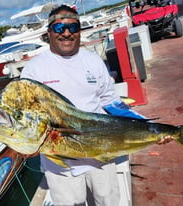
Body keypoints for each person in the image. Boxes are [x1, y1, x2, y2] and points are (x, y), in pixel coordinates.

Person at [20, 4, 171, 206]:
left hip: (100, 152)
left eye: (73, 28)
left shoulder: (93, 61)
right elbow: (28, 115)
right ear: (49, 32)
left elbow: (111, 103)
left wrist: (148, 126)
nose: (66, 33)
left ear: (79, 31)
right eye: (59, 28)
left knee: (107, 202)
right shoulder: (33, 69)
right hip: (60, 162)